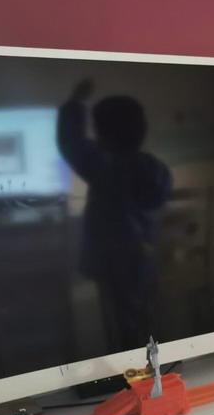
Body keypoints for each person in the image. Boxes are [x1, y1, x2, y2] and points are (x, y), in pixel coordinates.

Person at [57, 79, 172, 353]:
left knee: (119, 323)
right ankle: (152, 359)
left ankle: (131, 364)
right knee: (146, 314)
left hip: (112, 261)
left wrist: (75, 102)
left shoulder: (104, 166)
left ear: (102, 137)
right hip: (144, 255)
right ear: (142, 130)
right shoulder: (155, 168)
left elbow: (71, 141)